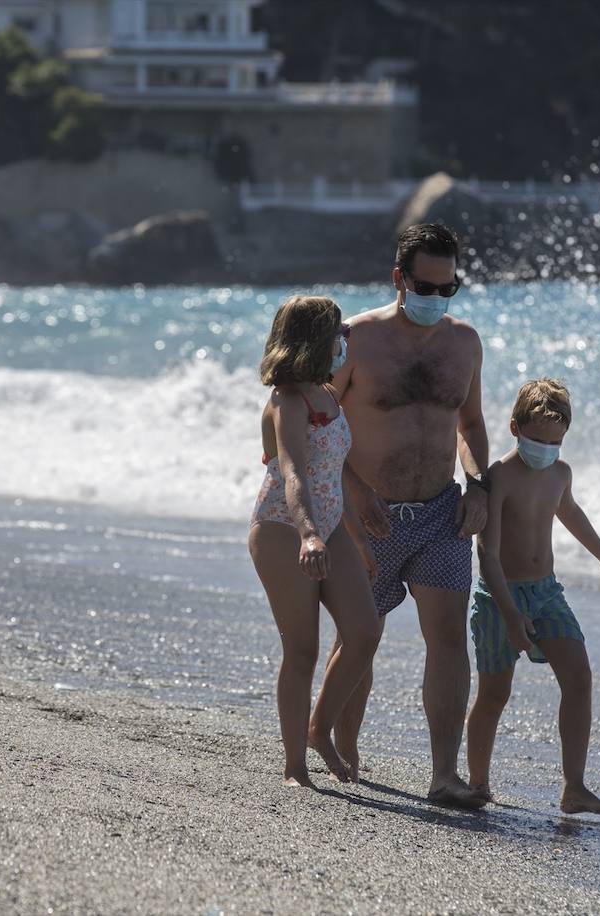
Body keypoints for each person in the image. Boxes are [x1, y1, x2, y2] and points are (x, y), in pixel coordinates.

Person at [321, 223, 491, 809]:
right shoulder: (352, 340)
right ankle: (343, 749)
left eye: (449, 289)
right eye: (426, 286)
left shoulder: (465, 342)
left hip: (442, 512)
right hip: (367, 517)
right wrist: (351, 492)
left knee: (447, 637)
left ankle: (444, 775)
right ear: (399, 278)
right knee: (359, 638)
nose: (436, 299)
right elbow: (315, 426)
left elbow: (469, 424)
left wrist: (478, 483)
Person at [466, 378, 600, 815]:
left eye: (555, 441)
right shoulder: (499, 477)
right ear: (514, 428)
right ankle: (478, 781)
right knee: (494, 693)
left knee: (579, 677)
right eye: (538, 440)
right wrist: (508, 613)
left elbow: (571, 513)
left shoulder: (560, 473)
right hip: (498, 596)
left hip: (546, 593)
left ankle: (574, 787)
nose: (546, 449)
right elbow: (487, 554)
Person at [249, 295, 383, 787]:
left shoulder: (327, 390)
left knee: (364, 632)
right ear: (311, 339)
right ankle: (294, 768)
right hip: (285, 528)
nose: (344, 341)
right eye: (337, 333)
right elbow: (295, 474)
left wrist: (356, 540)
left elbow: (333, 473)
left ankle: (319, 730)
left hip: (328, 526)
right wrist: (308, 534)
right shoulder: (288, 400)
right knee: (302, 650)